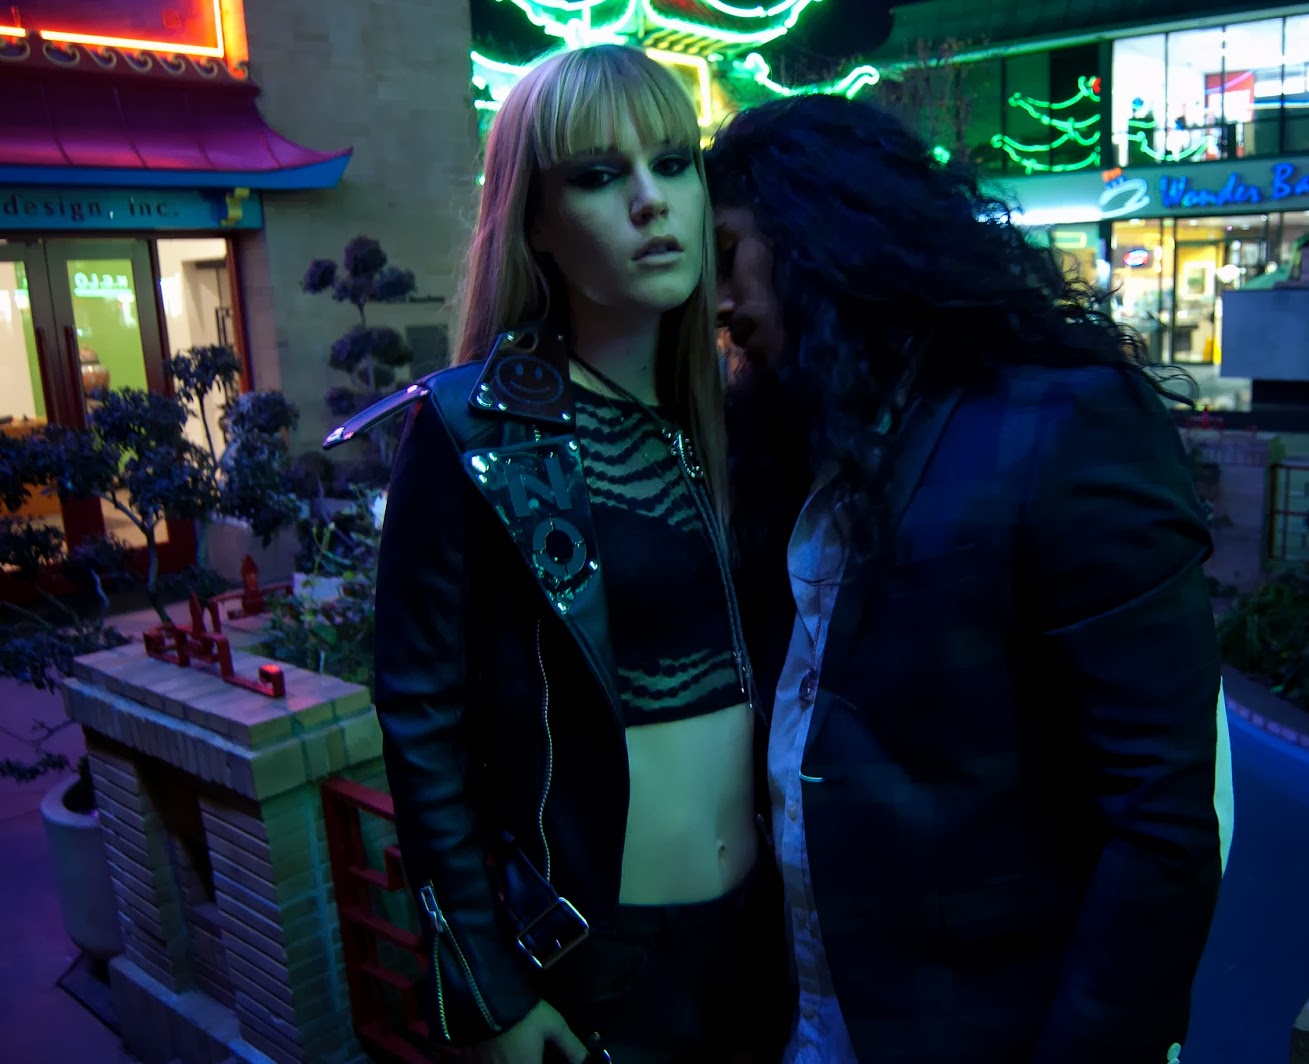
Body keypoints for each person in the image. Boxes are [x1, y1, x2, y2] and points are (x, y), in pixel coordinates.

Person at [708, 94, 1235, 1064]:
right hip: (808, 1016)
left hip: (982, 1026)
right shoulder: (797, 440)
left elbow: (1159, 824)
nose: (719, 301)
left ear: (818, 238)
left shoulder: (1066, 423)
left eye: (730, 253)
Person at [343, 45, 785, 1064]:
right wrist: (491, 989)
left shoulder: (746, 418)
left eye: (672, 163)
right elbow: (421, 720)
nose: (650, 200)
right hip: (600, 961)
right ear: (535, 223)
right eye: (596, 175)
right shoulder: (472, 431)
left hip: (762, 942)